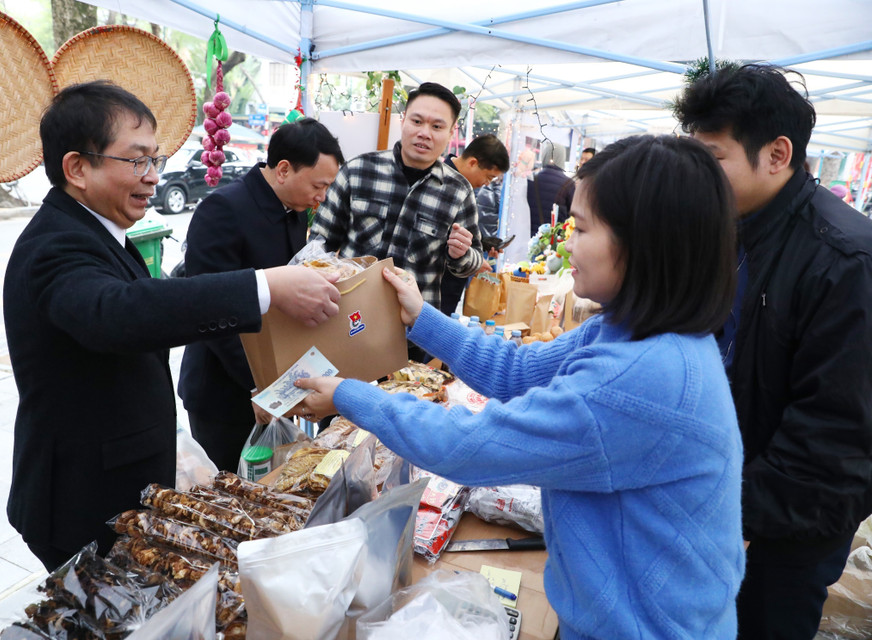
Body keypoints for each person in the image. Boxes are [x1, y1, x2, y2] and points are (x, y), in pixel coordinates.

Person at [297, 135, 745, 639]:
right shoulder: (633, 331)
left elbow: (467, 445)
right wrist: (421, 317)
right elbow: (516, 371)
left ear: (645, 242)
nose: (568, 242)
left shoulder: (642, 377)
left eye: (584, 227)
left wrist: (349, 395)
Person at [3, 81, 341, 571]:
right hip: (80, 498)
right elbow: (118, 313)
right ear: (77, 167)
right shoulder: (54, 246)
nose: (153, 177)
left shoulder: (102, 232)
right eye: (137, 160)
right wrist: (264, 287)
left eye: (155, 160)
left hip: (127, 478)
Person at [674, 63, 872, 640]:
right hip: (722, 503)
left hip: (784, 532)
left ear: (777, 154)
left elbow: (832, 443)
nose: (697, 178)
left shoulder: (846, 261)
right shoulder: (730, 226)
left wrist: (727, 509)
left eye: (712, 159)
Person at [177, 119, 344, 472]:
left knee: (275, 485)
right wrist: (258, 385)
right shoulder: (222, 210)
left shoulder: (295, 211)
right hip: (225, 387)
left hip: (277, 380)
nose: (322, 196)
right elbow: (209, 311)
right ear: (283, 170)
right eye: (319, 185)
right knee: (227, 497)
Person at [309, 82, 483, 314]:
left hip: (413, 329)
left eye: (437, 126)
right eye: (417, 121)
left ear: (451, 133)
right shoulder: (358, 170)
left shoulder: (458, 191)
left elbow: (473, 261)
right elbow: (319, 245)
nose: (424, 133)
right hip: (348, 318)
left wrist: (459, 254)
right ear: (403, 120)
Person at [440, 134, 511, 313]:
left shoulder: (465, 187)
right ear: (472, 163)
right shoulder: (440, 182)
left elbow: (454, 230)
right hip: (434, 290)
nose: (487, 184)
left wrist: (483, 243)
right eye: (488, 177)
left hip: (450, 289)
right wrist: (473, 261)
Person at [527, 143, 574, 234]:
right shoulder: (568, 184)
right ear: (562, 158)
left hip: (531, 236)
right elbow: (571, 214)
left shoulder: (532, 179)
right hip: (554, 239)